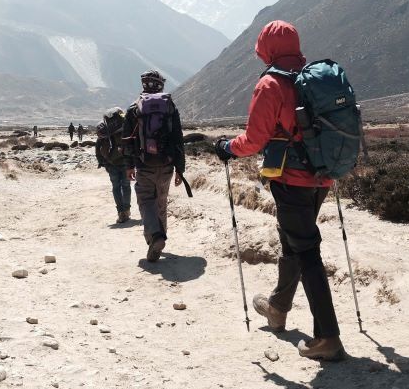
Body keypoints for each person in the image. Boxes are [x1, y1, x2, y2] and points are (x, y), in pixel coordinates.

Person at [213, 20, 344, 361]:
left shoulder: (271, 84)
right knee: (295, 243)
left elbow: (254, 140)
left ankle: (327, 337)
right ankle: (277, 308)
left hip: (291, 180)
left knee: (306, 251)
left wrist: (227, 147)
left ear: (267, 48)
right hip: (322, 176)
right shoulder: (313, 79)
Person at [122, 70, 186, 263]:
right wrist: (180, 169)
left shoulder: (135, 108)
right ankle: (161, 237)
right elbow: (178, 139)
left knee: (145, 201)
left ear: (144, 85)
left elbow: (127, 140)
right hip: (166, 164)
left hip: (144, 164)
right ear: (161, 85)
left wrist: (129, 165)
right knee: (161, 201)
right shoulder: (169, 107)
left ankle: (155, 237)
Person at [95, 107, 131, 223]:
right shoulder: (124, 127)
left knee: (116, 187)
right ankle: (127, 210)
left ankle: (121, 213)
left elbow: (98, 147)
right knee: (126, 186)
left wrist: (102, 162)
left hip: (111, 163)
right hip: (125, 162)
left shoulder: (106, 129)